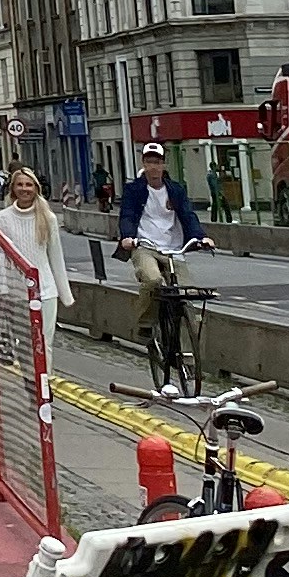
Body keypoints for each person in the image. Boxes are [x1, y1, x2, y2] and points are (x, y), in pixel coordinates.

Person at [118, 135, 211, 397]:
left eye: (157, 162)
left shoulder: (176, 190)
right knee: (152, 280)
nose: (153, 167)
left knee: (187, 297)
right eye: (149, 162)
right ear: (143, 163)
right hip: (144, 245)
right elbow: (126, 216)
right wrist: (127, 237)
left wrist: (200, 237)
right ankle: (146, 323)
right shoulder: (135, 190)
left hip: (173, 248)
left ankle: (189, 357)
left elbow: (188, 216)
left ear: (164, 164)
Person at [0, 165, 72, 330]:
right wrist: (4, 289)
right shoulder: (2, 218)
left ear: (36, 188)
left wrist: (65, 294)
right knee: (24, 344)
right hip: (16, 293)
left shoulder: (48, 218)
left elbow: (56, 257)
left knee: (44, 343)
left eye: (28, 185)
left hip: (46, 290)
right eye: (19, 184)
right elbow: (2, 257)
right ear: (13, 189)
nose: (24, 189)